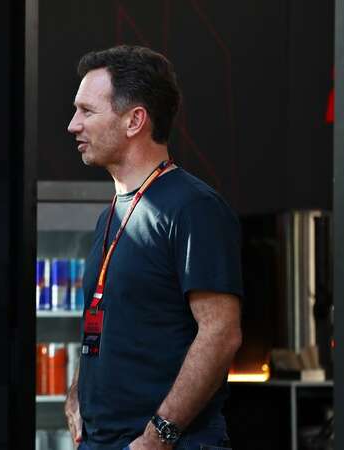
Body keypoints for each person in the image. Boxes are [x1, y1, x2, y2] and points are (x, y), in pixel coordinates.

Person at [63, 45, 243, 450]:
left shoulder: (194, 207)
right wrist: (78, 391)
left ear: (134, 120)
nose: (73, 125)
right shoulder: (110, 212)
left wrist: (158, 436)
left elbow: (220, 333)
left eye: (87, 111)